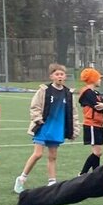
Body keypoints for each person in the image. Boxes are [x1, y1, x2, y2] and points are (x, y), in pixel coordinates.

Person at [15, 63, 78, 193]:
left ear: (65, 76)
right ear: (51, 76)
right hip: (43, 127)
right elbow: (35, 106)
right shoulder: (44, 90)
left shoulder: (68, 94)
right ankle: (21, 178)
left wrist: (74, 130)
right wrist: (38, 119)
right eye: (57, 74)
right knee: (38, 154)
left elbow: (73, 113)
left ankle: (52, 182)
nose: (59, 76)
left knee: (53, 156)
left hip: (57, 129)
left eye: (62, 74)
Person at [77, 67, 103, 174]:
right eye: (98, 78)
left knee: (98, 153)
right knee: (97, 152)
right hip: (91, 124)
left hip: (98, 124)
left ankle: (95, 175)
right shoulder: (87, 93)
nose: (100, 80)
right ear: (93, 79)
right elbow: (98, 106)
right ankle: (82, 173)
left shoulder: (95, 93)